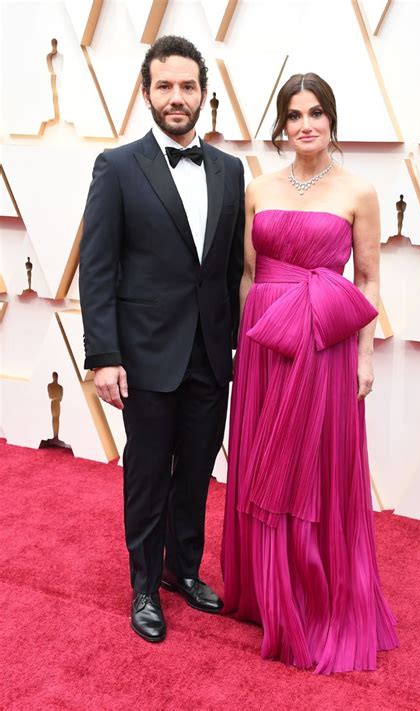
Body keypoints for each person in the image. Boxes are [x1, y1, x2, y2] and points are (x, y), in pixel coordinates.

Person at [221, 72, 399, 674]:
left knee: (318, 466)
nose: (305, 124)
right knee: (264, 462)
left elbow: (369, 278)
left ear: (332, 120)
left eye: (316, 113)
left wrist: (367, 355)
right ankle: (266, 594)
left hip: (327, 347)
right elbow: (249, 271)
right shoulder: (258, 188)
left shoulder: (359, 191)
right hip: (267, 345)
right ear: (282, 124)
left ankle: (317, 597)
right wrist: (248, 344)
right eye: (294, 114)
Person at [79, 35, 244, 643]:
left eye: (188, 86)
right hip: (145, 354)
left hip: (209, 353)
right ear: (146, 93)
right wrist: (104, 356)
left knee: (198, 470)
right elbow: (98, 267)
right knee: (148, 473)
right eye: (165, 86)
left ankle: (182, 570)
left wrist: (230, 344)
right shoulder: (117, 166)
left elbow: (228, 269)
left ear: (204, 93)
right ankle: (144, 586)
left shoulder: (230, 169)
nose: (177, 97)